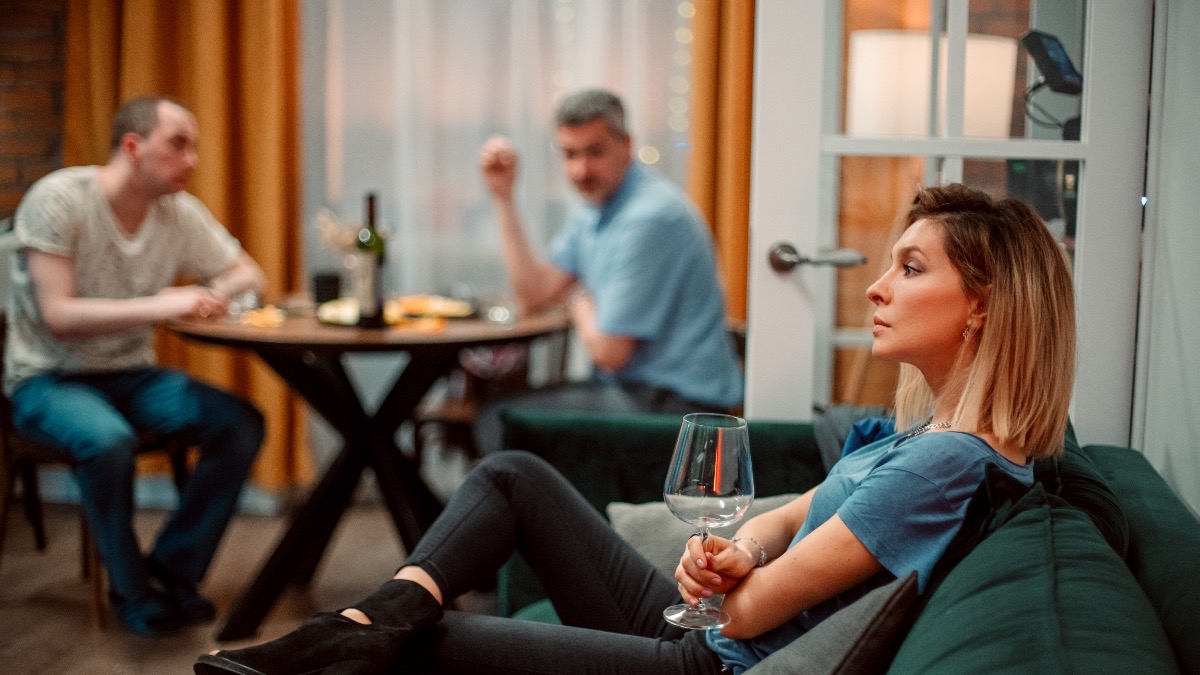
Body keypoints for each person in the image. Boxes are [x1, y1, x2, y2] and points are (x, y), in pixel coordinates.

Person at [194, 183, 1075, 675]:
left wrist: (730, 578)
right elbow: (789, 516)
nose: (877, 286)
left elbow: (751, 612)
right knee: (511, 474)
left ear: (982, 307)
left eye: (910, 268)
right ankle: (375, 613)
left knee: (429, 645)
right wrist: (737, 549)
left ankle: (343, 633)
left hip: (706, 665)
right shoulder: (921, 439)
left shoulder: (946, 466)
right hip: (698, 635)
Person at [6, 95, 267, 636]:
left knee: (240, 423)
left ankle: (172, 570)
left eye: (194, 146)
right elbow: (59, 317)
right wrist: (164, 304)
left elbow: (250, 273)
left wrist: (211, 292)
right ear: (132, 146)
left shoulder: (177, 211)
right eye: (178, 144)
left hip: (130, 374)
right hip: (47, 377)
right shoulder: (59, 200)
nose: (192, 159)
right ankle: (133, 592)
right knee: (107, 442)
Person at [471, 89, 744, 455]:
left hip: (679, 409)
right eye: (570, 154)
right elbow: (534, 292)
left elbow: (609, 353)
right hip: (639, 392)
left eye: (594, 152)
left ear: (626, 145)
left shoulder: (649, 217)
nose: (581, 170)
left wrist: (580, 304)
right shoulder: (598, 208)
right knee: (500, 411)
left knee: (499, 419)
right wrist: (503, 196)